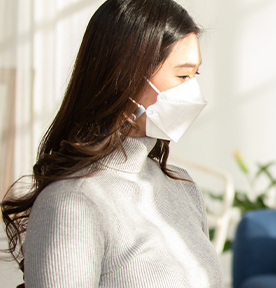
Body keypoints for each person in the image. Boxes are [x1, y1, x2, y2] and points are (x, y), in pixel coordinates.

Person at [1, 0, 222, 287]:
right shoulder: (72, 202)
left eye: (195, 75)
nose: (192, 90)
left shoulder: (184, 189)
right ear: (126, 77)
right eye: (182, 75)